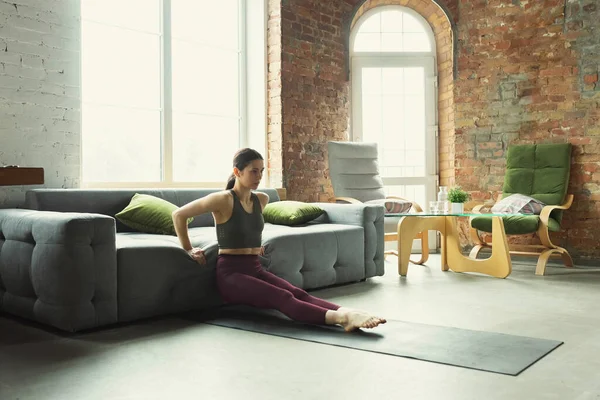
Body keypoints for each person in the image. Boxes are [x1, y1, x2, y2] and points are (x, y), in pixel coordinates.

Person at [172, 148, 386, 332]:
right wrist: (189, 249)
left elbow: (247, 228)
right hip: (231, 274)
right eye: (253, 171)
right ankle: (343, 320)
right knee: (283, 298)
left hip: (254, 267)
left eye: (262, 171)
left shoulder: (261, 199)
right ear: (237, 172)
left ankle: (345, 310)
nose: (259, 176)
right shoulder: (223, 199)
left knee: (296, 292)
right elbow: (178, 215)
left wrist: (254, 246)